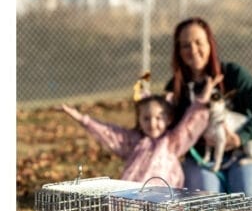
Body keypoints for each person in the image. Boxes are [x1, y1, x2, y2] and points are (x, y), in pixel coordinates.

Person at [166, 17, 252, 198]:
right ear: (178, 51)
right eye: (185, 45)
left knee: (249, 196)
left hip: (241, 153)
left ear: (210, 44)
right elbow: (169, 133)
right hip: (202, 159)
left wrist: (241, 137)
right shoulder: (176, 88)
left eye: (198, 42)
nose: (193, 50)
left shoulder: (233, 75)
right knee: (203, 201)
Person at [62, 77, 216, 188]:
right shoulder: (133, 140)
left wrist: (205, 96)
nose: (152, 123)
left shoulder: (172, 142)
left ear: (168, 119)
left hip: (163, 195)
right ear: (139, 120)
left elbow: (191, 121)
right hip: (135, 195)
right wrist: (80, 118)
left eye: (158, 118)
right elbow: (108, 132)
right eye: (146, 118)